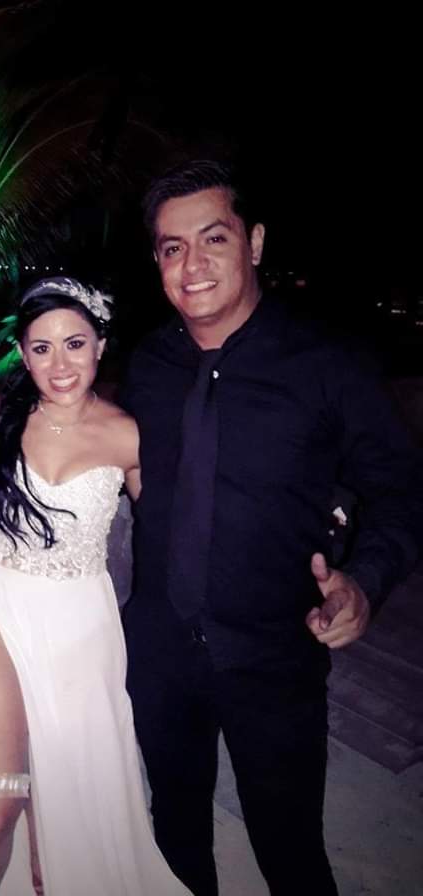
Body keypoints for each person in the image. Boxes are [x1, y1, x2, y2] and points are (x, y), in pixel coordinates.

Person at [120, 159, 423, 896]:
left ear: (254, 243)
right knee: (174, 832)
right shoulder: (148, 363)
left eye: (214, 239)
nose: (192, 265)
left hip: (275, 655)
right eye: (172, 248)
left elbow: (402, 489)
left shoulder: (327, 364)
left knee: (289, 850)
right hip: (159, 650)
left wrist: (365, 582)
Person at [0, 277, 190, 896]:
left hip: (83, 626)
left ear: (100, 345)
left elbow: (173, 536)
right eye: (41, 348)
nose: (59, 364)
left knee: (65, 809)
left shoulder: (129, 435)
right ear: (23, 354)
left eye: (74, 344)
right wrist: (10, 547)